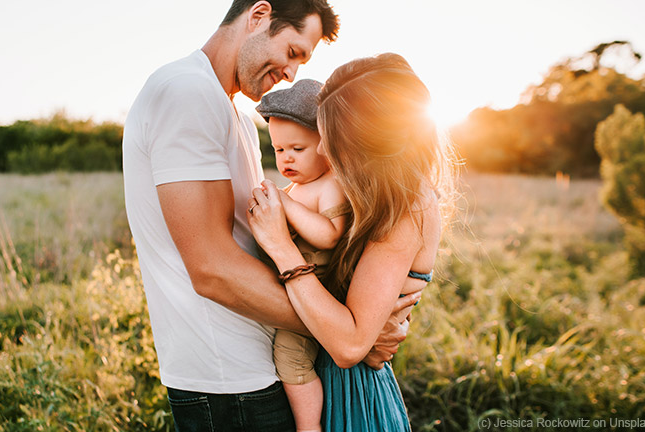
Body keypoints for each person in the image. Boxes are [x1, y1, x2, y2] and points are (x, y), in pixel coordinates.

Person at [122, 1, 420, 431]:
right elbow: (211, 269)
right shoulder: (187, 92)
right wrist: (350, 332)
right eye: (294, 52)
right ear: (259, 15)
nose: (292, 73)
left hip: (262, 363)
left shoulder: (236, 115)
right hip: (229, 377)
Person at [248, 53, 456, 431]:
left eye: (332, 141)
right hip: (324, 375)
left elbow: (348, 345)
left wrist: (282, 248)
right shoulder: (372, 196)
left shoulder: (407, 206)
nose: (323, 152)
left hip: (352, 395)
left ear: (368, 142)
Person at [256, 78, 349, 432]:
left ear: (326, 145)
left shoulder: (330, 184)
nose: (287, 158)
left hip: (320, 296)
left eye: (297, 148)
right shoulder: (297, 187)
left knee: (291, 358)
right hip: (293, 291)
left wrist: (285, 203)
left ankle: (309, 427)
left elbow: (329, 235)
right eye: (279, 150)